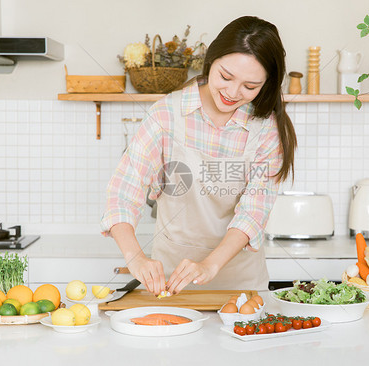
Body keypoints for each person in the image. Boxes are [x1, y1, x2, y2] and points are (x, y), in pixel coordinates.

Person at [101, 16, 297, 296]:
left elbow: (253, 212)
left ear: (266, 84)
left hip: (240, 285)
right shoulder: (167, 113)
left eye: (250, 87)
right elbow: (124, 191)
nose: (232, 92)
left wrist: (209, 265)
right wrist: (136, 258)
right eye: (225, 77)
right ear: (211, 60)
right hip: (170, 283)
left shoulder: (266, 128)